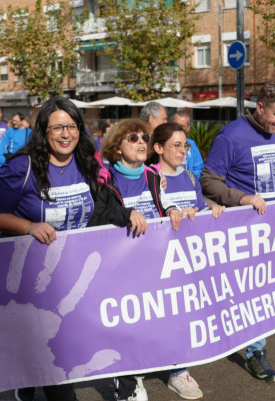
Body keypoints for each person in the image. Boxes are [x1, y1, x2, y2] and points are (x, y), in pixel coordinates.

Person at [0, 97, 146, 401]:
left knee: (65, 345)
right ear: (44, 131)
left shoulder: (85, 160)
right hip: (33, 278)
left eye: (71, 126)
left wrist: (128, 214)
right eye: (57, 127)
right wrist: (28, 227)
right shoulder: (23, 166)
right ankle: (32, 380)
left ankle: (28, 377)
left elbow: (99, 207)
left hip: (72, 274)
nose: (65, 134)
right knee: (53, 363)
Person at [200, 81, 275, 383]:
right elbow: (209, 181)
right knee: (250, 291)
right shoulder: (232, 136)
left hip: (272, 229)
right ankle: (255, 352)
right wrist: (243, 199)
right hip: (242, 229)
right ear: (260, 107)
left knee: (262, 290)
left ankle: (251, 344)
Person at [100, 118, 191, 401]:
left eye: (144, 138)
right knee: (127, 327)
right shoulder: (105, 181)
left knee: (151, 321)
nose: (142, 142)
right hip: (122, 268)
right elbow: (97, 218)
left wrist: (175, 209)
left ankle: (150, 368)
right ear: (117, 148)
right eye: (133, 138)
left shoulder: (153, 176)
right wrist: (125, 215)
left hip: (154, 263)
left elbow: (163, 202)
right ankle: (128, 385)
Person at [147, 121, 225, 400]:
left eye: (186, 145)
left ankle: (179, 371)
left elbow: (199, 212)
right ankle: (138, 369)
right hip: (152, 262)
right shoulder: (146, 176)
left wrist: (210, 210)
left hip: (184, 261)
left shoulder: (191, 178)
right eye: (176, 145)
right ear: (158, 148)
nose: (183, 151)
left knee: (183, 314)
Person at [171, 110, 205, 179]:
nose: (177, 128)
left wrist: (189, 179)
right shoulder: (165, 143)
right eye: (175, 124)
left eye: (181, 126)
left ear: (188, 128)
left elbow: (199, 168)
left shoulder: (191, 144)